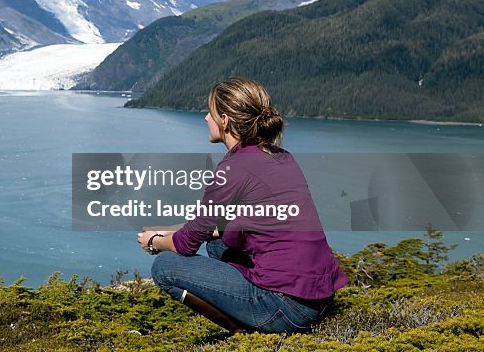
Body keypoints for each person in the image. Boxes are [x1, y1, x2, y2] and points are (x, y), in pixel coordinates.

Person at [136, 77, 348, 334]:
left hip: (286, 308)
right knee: (217, 244)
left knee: (164, 267)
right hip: (320, 297)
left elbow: (186, 243)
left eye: (210, 112)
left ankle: (242, 334)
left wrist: (154, 241)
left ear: (225, 120)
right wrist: (166, 229)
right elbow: (212, 226)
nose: (205, 118)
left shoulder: (233, 168)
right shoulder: (278, 156)